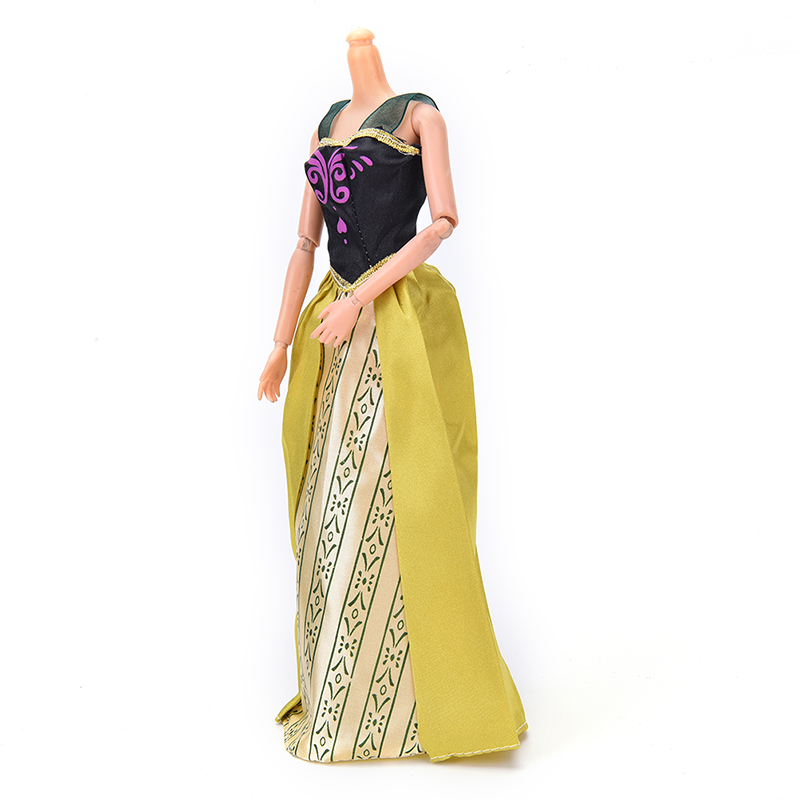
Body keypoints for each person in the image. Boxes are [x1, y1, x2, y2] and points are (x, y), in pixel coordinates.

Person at [258, 27, 527, 763]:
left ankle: (419, 703)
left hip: (395, 320)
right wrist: (281, 341)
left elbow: (441, 223)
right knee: (329, 507)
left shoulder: (419, 115)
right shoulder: (324, 124)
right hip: (330, 330)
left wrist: (362, 298)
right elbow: (305, 243)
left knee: (406, 493)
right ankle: (343, 698)